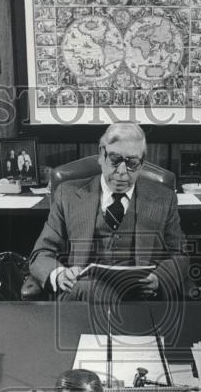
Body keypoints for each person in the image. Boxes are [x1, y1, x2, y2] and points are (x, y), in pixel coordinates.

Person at [29, 122, 187, 301]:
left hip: (140, 297)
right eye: (115, 160)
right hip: (80, 297)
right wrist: (59, 274)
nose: (122, 172)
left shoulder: (163, 199)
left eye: (132, 163)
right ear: (101, 155)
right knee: (90, 289)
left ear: (142, 163)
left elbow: (179, 254)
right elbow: (41, 252)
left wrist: (160, 278)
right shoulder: (68, 194)